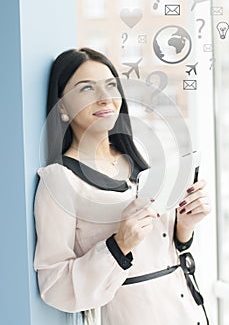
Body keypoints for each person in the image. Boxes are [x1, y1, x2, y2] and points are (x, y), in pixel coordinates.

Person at [33, 47, 211, 325]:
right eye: (87, 88)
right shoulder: (60, 179)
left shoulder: (138, 159)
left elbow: (163, 250)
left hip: (186, 310)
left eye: (110, 86)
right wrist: (118, 246)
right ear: (63, 108)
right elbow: (53, 285)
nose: (105, 98)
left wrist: (185, 226)